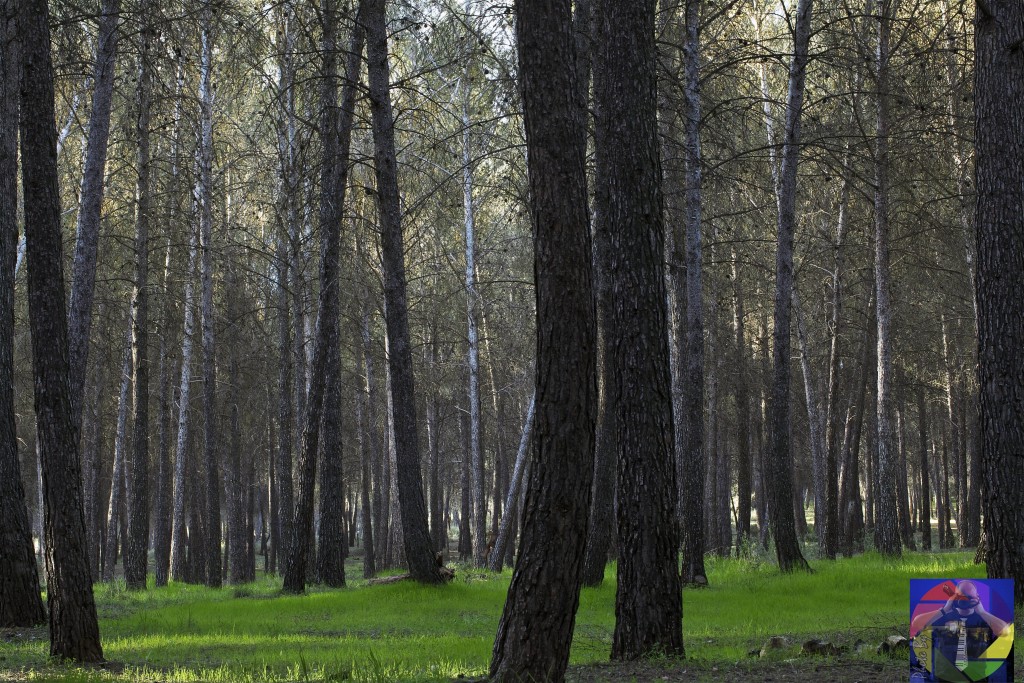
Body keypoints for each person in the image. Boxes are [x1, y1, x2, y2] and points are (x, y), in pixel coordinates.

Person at [911, 581, 1012, 682]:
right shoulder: (940, 617)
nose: (965, 600)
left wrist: (982, 612)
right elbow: (916, 624)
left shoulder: (985, 620)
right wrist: (944, 610)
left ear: (977, 597)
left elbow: (1006, 632)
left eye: (970, 597)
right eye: (961, 597)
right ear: (954, 596)